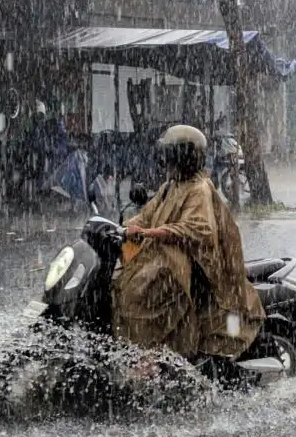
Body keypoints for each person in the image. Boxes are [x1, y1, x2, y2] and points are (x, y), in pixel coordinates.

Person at [112, 125, 264, 369]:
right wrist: (120, 229)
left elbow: (196, 229)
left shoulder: (199, 189)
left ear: (182, 158)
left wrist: (149, 233)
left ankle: (155, 357)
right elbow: (146, 216)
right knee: (119, 283)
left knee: (139, 294)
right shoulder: (170, 187)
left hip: (194, 268)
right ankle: (140, 353)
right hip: (168, 260)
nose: (166, 163)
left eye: (170, 157)